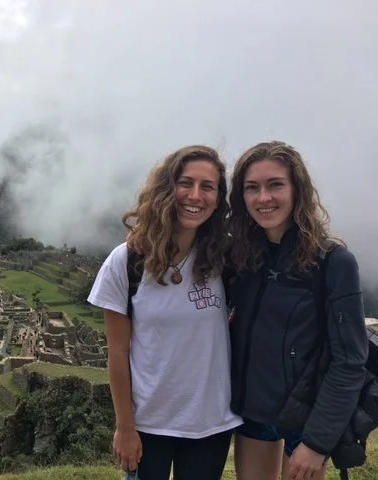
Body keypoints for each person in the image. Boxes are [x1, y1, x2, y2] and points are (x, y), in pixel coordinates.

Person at [88, 145, 242, 480]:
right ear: (166, 188)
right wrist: (125, 428)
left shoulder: (224, 259)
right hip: (149, 424)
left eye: (208, 187)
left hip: (210, 422)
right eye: (185, 183)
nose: (195, 196)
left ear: (218, 198)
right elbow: (118, 351)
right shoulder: (127, 261)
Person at [226, 141, 367, 480]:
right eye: (252, 188)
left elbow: (349, 360)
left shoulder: (333, 262)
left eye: (275, 185)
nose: (263, 198)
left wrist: (317, 443)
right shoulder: (243, 258)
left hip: (306, 420)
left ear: (297, 189)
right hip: (254, 411)